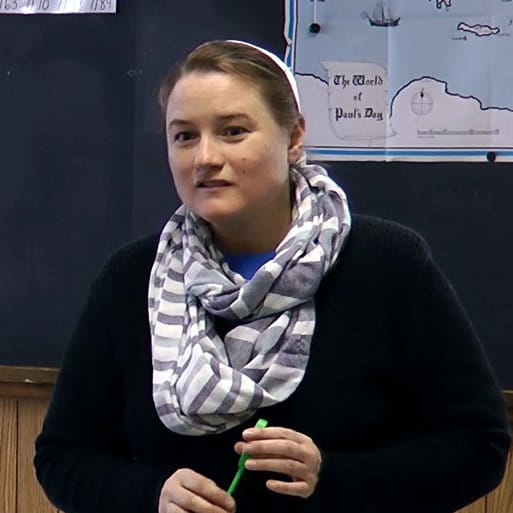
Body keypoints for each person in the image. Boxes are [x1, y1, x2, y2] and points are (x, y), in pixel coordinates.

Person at [34, 40, 510, 513]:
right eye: (184, 136)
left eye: (233, 131)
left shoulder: (386, 265)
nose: (204, 157)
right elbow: (64, 456)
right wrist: (149, 495)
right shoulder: (132, 279)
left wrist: (333, 477)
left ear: (294, 137)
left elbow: (476, 445)